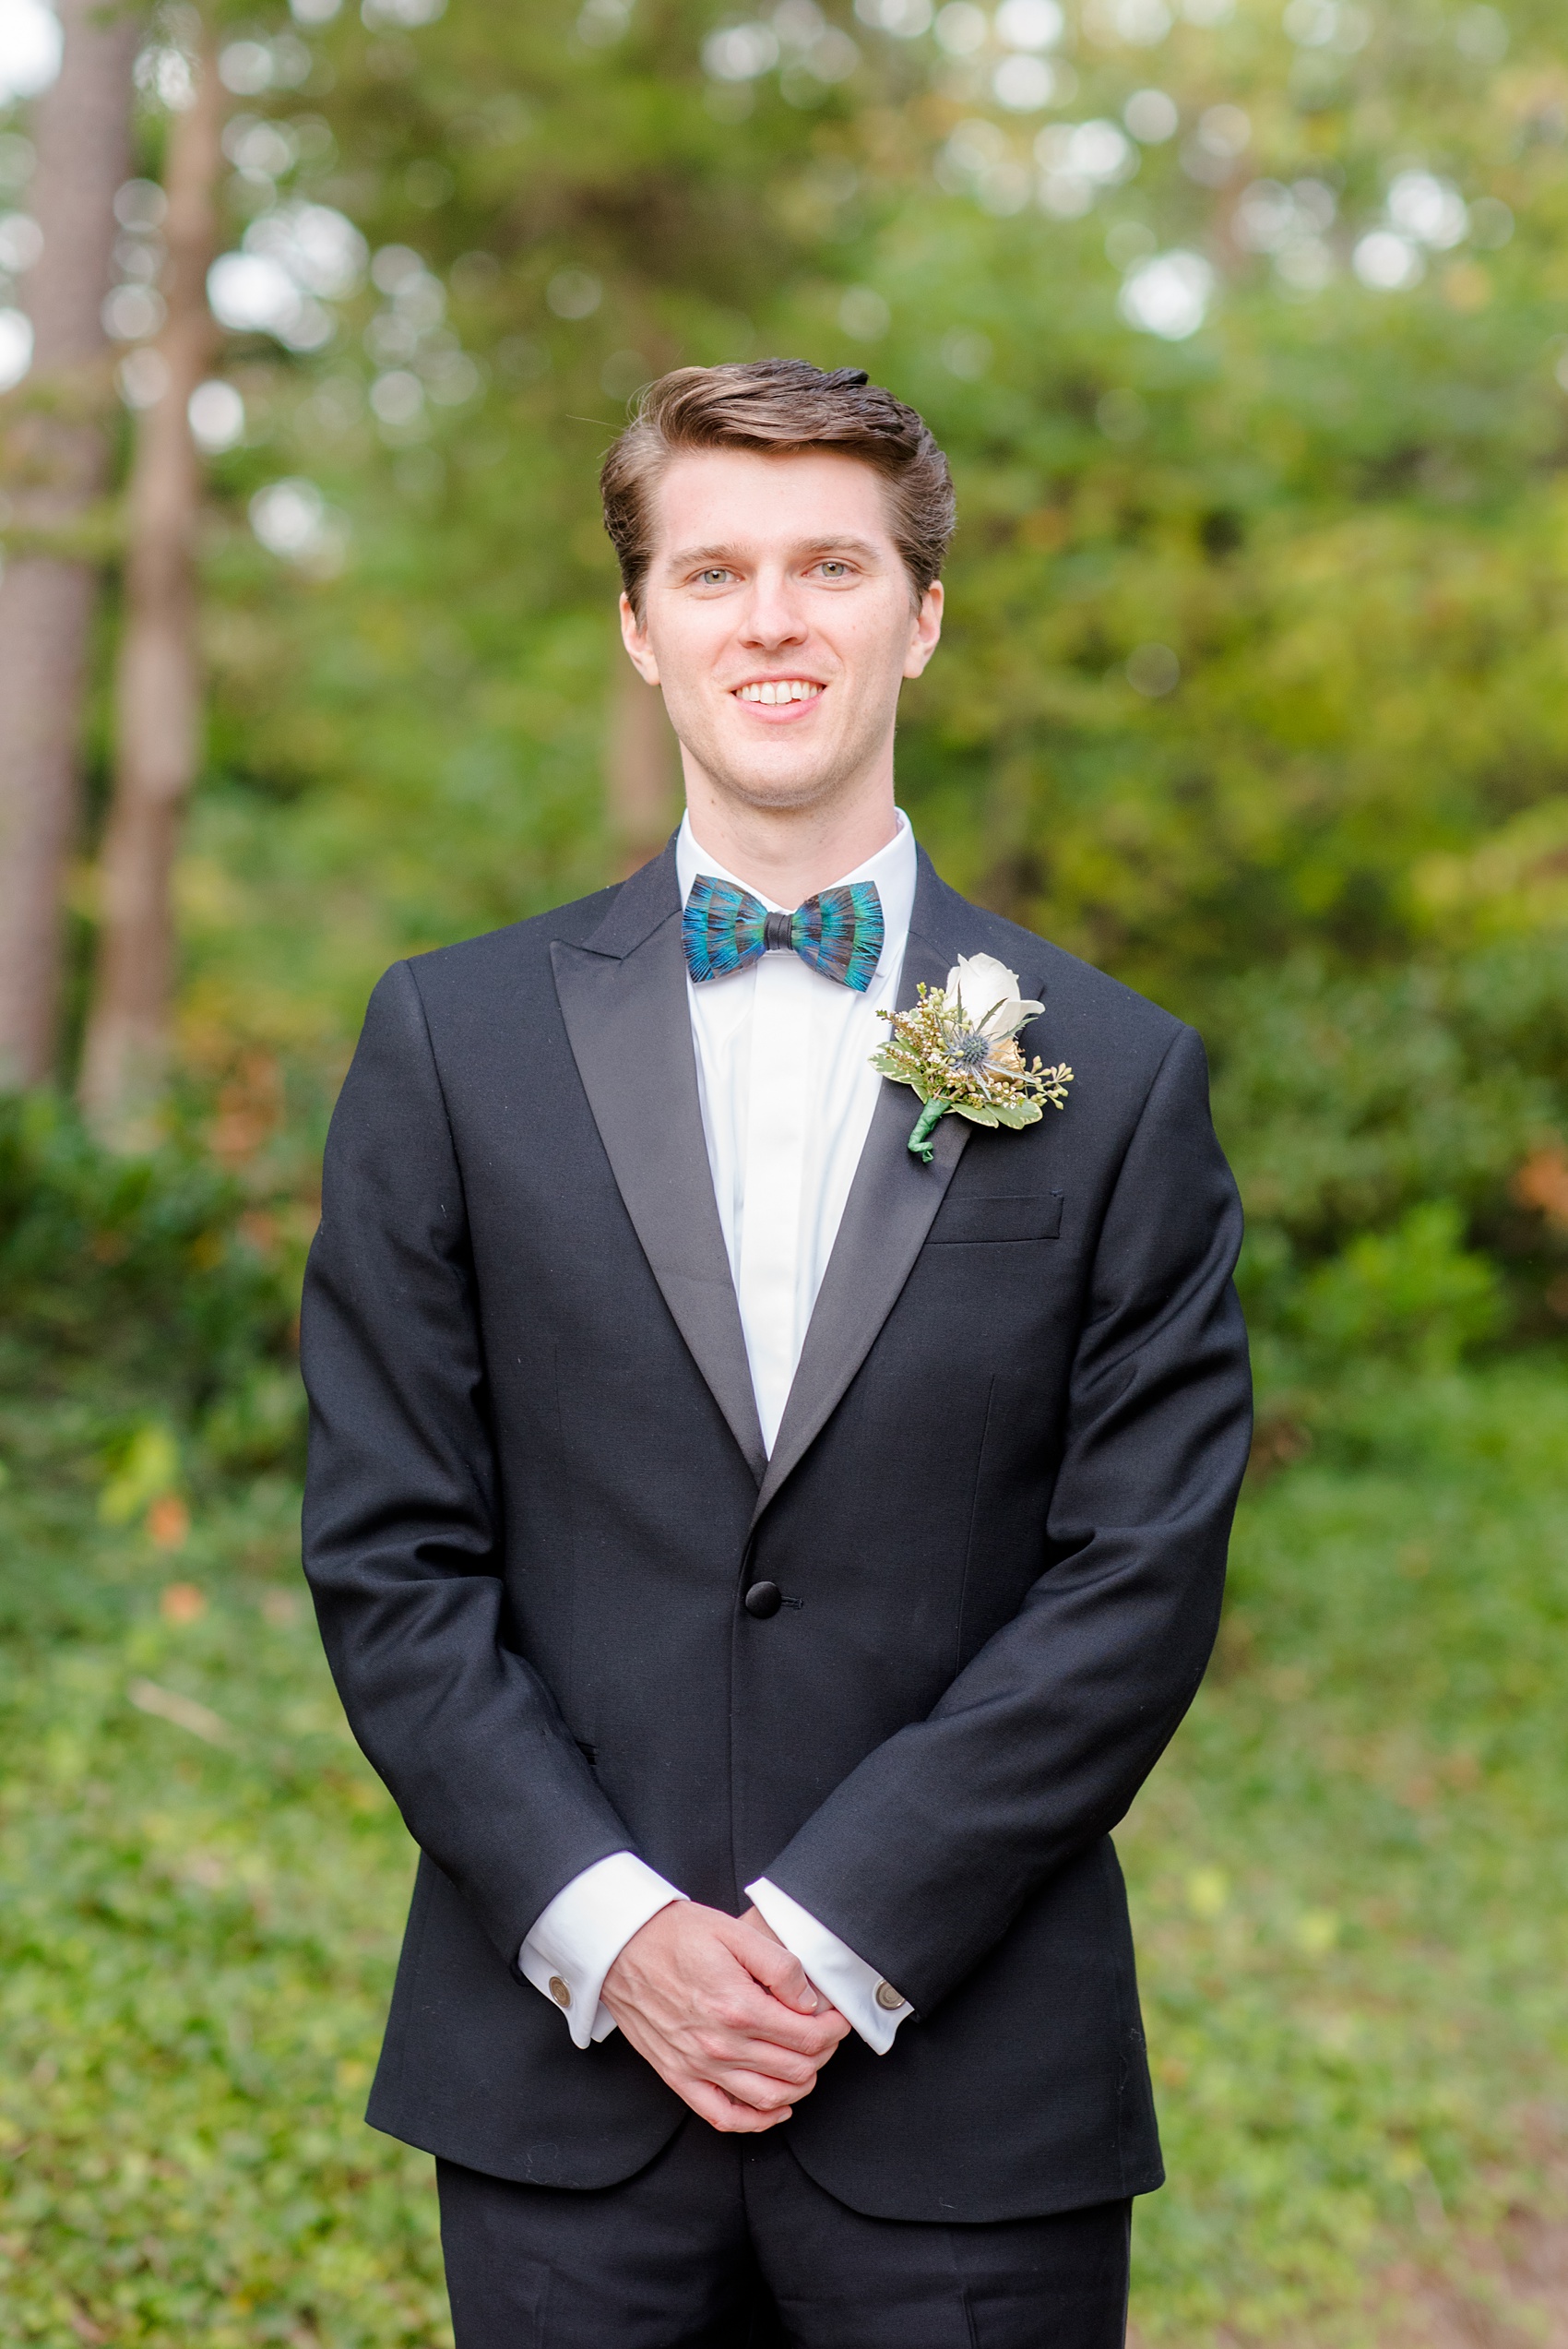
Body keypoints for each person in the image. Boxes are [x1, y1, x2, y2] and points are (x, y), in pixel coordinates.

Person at [301, 357, 1253, 2348]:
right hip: (562, 2088)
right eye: (714, 571)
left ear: (919, 613)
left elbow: (1137, 1578)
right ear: (640, 627)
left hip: (972, 2089)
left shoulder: (1121, 1073)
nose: (773, 619)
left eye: (830, 565)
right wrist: (618, 1928)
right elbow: (391, 1554)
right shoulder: (446, 1045)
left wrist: (836, 1940)